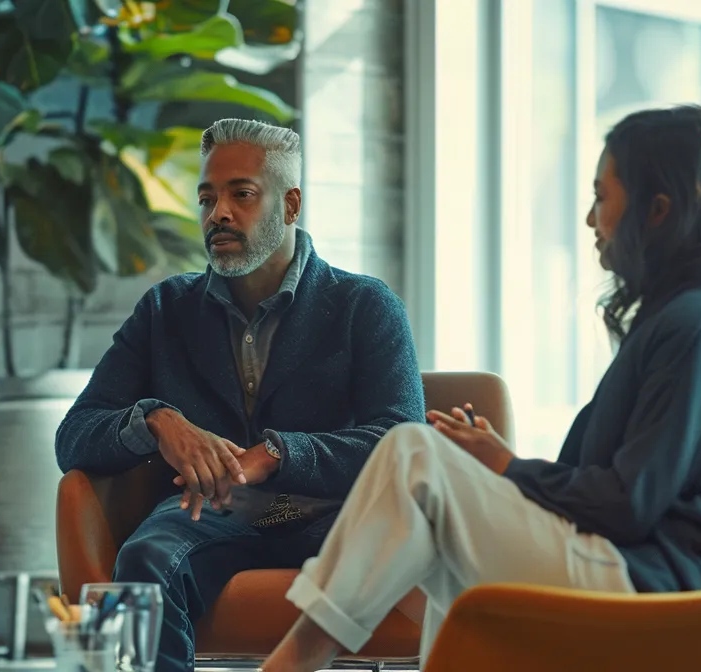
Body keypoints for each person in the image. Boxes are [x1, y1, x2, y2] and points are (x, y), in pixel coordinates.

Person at [261, 105, 701, 671]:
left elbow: (628, 502)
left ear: (659, 211)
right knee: (439, 531)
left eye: (602, 198)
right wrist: (502, 470)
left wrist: (507, 468)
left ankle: (295, 660)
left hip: (672, 585)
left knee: (415, 456)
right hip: (660, 569)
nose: (589, 219)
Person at [55, 118, 425, 671]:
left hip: (335, 517)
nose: (218, 213)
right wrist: (157, 421)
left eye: (241, 194)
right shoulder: (165, 310)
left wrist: (275, 455)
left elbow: (401, 440)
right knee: (145, 555)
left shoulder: (364, 305)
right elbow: (74, 436)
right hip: (215, 515)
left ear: (291, 205)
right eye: (207, 198)